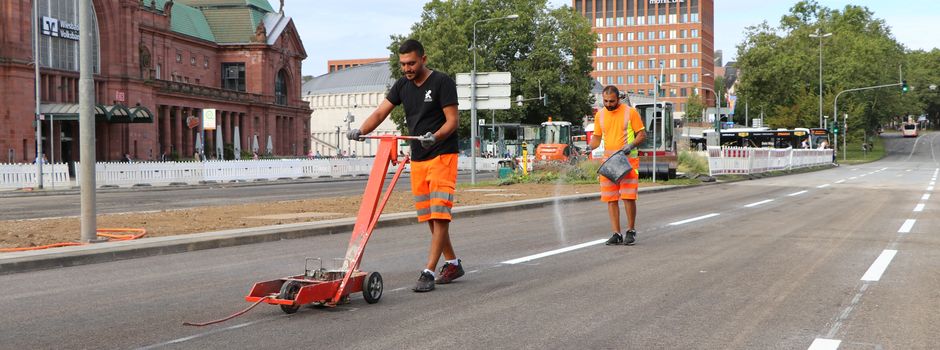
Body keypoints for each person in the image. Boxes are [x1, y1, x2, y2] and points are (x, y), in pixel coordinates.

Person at [347, 39, 462, 292]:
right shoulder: (402, 86)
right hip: (419, 157)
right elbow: (380, 113)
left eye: (411, 63)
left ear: (423, 59)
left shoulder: (442, 82)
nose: (407, 69)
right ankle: (453, 263)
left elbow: (453, 121)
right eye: (403, 64)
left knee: (440, 214)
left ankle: (428, 271)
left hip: (442, 154)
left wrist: (436, 136)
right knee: (429, 216)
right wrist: (361, 130)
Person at [587, 85, 647, 246]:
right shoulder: (600, 115)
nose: (608, 104)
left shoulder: (630, 112)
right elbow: (597, 138)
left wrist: (631, 145)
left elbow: (642, 135)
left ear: (618, 98)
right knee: (611, 198)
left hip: (627, 162)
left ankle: (631, 230)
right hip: (609, 162)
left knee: (628, 197)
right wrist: (589, 147)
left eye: (612, 101)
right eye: (606, 101)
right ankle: (616, 234)